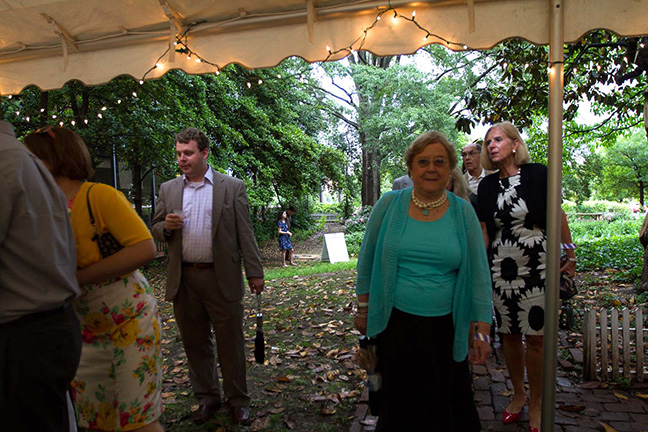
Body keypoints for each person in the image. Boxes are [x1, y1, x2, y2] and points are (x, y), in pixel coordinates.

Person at [24, 126, 163, 432]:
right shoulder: (38, 206)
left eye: (28, 156)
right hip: (83, 334)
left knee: (136, 422)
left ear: (48, 160)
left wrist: (78, 278)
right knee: (95, 421)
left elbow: (145, 248)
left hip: (130, 322)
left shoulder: (98, 196)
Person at [354, 131, 493, 431]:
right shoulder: (389, 205)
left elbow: (479, 273)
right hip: (395, 325)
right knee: (400, 407)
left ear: (450, 168)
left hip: (446, 327)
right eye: (423, 162)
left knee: (444, 406)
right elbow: (366, 259)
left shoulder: (462, 212)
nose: (432, 168)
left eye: (440, 162)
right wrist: (363, 308)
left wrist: (482, 329)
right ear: (411, 168)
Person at [151, 127, 264, 425]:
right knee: (195, 343)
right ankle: (207, 398)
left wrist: (254, 272)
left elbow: (245, 233)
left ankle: (238, 400)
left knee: (231, 343)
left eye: (187, 153)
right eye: (178, 153)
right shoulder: (169, 189)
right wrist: (166, 228)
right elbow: (154, 227)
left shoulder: (232, 187)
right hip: (184, 280)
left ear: (204, 153)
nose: (182, 159)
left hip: (221, 278)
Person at [477, 121, 576, 432]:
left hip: (538, 264)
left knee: (536, 336)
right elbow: (484, 231)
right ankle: (518, 394)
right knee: (508, 334)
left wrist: (570, 254)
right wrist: (479, 268)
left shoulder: (538, 173)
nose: (492, 146)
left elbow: (557, 212)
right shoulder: (487, 186)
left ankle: (536, 401)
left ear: (515, 144)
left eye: (498, 140)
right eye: (488, 142)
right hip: (502, 268)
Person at [0, 120, 82, 432]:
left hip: (23, 339)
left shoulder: (8, 162)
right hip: (44, 330)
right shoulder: (21, 160)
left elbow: (142, 247)